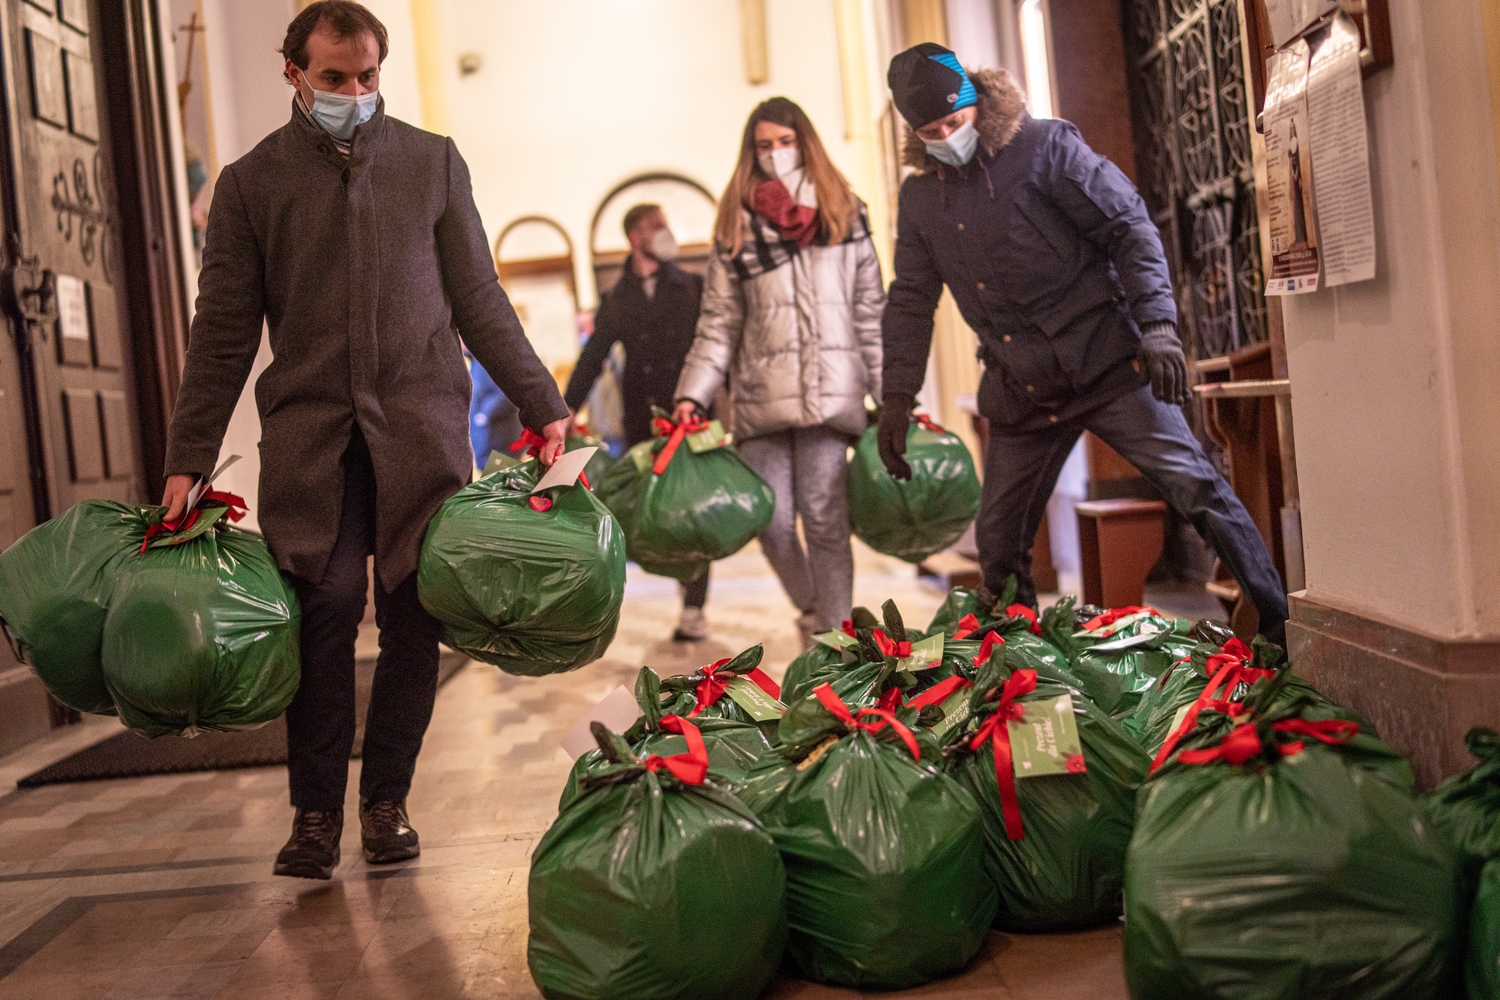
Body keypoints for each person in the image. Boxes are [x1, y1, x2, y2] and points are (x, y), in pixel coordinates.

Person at [160, 1, 569, 880]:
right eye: (336, 78)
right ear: (294, 75)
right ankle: (313, 815)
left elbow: (480, 300)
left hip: (419, 431)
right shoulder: (251, 184)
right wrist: (186, 462)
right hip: (314, 437)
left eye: (368, 76)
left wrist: (546, 404)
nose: (355, 91)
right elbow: (223, 334)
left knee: (417, 611)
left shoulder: (432, 164)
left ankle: (386, 801)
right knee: (329, 604)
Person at [878, 43, 1288, 646]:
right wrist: (895, 397)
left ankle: (1277, 623)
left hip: (1108, 365)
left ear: (973, 100)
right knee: (998, 542)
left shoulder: (1045, 147)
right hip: (1023, 387)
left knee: (1196, 487)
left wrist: (1158, 327)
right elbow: (911, 300)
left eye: (954, 120)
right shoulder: (921, 200)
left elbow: (1129, 227)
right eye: (931, 130)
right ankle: (1020, 665)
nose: (947, 135)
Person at [673, 97, 884, 649]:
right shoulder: (735, 224)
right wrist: (692, 394)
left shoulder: (845, 212)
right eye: (764, 146)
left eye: (785, 143)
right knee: (768, 518)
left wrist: (893, 393)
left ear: (804, 142)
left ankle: (837, 642)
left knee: (822, 516)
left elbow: (869, 311)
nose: (775, 156)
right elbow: (718, 322)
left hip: (829, 391)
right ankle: (815, 606)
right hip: (760, 396)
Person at [564, 204, 711, 641]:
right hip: (642, 423)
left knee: (693, 510)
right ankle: (676, 578)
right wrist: (566, 407)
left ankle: (694, 604)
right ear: (635, 237)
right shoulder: (616, 298)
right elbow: (593, 356)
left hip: (690, 418)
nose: (666, 234)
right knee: (652, 510)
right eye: (657, 227)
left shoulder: (693, 288)